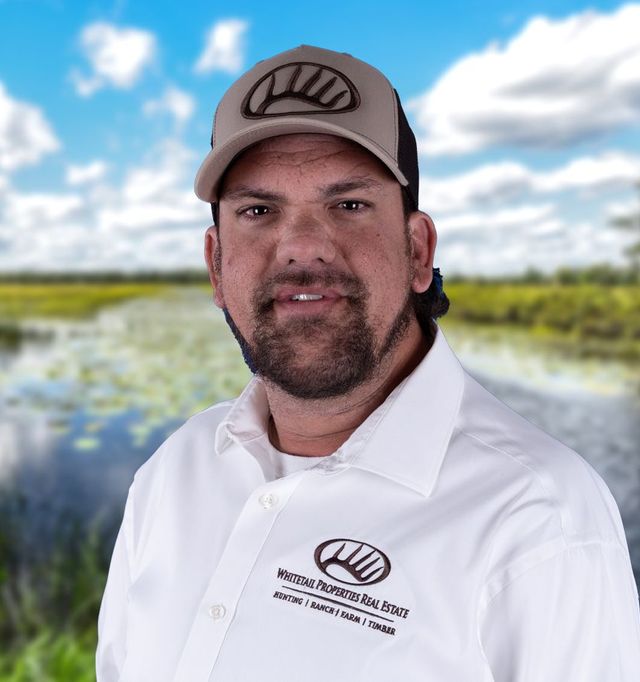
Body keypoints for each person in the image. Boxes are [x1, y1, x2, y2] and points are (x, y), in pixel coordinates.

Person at [96, 45, 640, 681]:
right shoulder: (174, 470)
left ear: (418, 251)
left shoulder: (541, 517)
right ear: (216, 265)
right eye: (258, 211)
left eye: (348, 205)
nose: (302, 247)